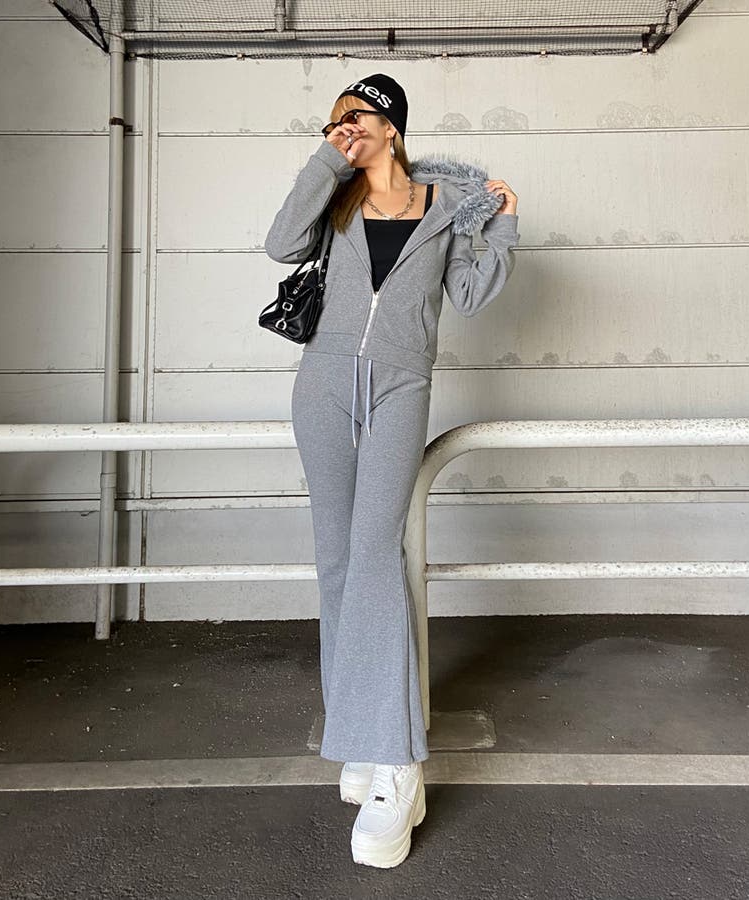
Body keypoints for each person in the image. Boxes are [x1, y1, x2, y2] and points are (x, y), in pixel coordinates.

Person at [264, 73, 520, 868]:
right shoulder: (333, 198)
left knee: (377, 554)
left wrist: (504, 227)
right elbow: (280, 245)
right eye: (336, 119)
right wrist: (324, 162)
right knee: (338, 562)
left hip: (402, 386)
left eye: (359, 116)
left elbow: (470, 294)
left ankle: (400, 765)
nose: (345, 127)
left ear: (393, 128)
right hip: (322, 385)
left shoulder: (447, 205)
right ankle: (359, 735)